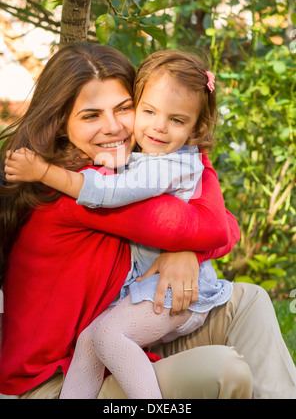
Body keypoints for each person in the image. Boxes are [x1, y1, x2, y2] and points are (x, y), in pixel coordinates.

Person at [1, 43, 296, 399]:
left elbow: (220, 226)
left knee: (248, 301)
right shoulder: (76, 189)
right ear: (61, 123)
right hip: (54, 382)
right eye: (91, 115)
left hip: (114, 350)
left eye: (124, 108)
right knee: (223, 371)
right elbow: (216, 228)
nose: (113, 127)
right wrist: (190, 244)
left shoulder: (125, 169)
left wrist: (188, 253)